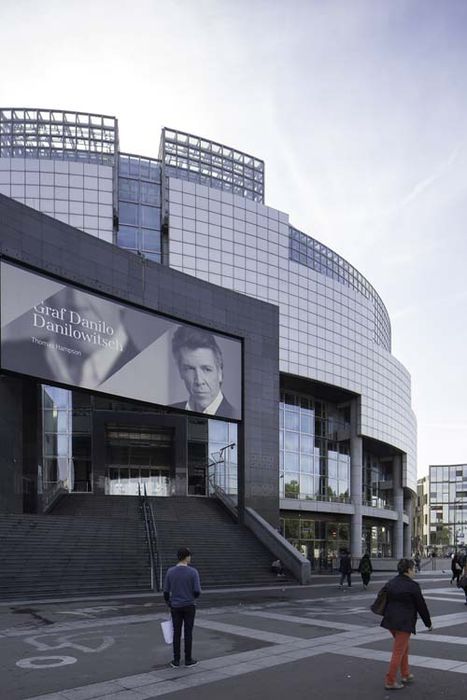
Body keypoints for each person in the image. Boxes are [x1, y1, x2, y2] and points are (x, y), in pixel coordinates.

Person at [380, 558, 432, 690]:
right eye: (413, 569)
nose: (414, 571)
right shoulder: (413, 586)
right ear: (408, 570)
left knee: (404, 647)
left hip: (391, 621)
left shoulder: (391, 583)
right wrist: (428, 623)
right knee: (398, 651)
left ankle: (405, 674)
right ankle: (390, 681)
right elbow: (422, 606)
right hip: (404, 623)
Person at [171, 326, 237, 418]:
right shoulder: (169, 412)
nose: (199, 381)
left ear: (220, 373)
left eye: (207, 369)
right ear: (180, 372)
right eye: (190, 369)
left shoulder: (235, 416)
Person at [163, 547, 201, 668]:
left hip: (175, 606)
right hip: (189, 606)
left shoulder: (170, 571)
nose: (190, 558)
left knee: (176, 633)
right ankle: (188, 659)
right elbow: (197, 591)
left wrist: (169, 602)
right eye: (190, 555)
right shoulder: (193, 572)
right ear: (186, 557)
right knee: (188, 632)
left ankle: (176, 660)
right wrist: (191, 597)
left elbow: (165, 592)